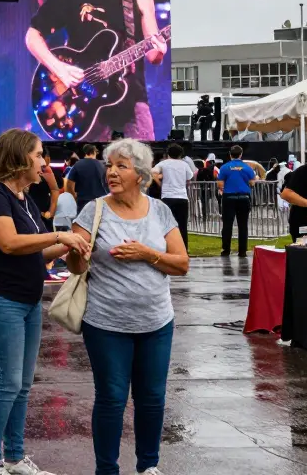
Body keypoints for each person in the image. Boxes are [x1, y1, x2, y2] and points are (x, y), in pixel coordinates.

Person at [65, 139, 189, 475]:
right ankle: (107, 469)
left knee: (152, 398)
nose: (112, 172)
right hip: (106, 324)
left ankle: (148, 466)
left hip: (156, 322)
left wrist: (147, 254)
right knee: (111, 397)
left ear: (141, 175)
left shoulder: (160, 211)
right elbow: (75, 267)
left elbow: (181, 263)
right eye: (110, 166)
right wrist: (77, 255)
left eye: (122, 166)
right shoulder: (94, 211)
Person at [0, 131, 87, 475]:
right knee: (6, 383)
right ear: (19, 157)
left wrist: (73, 244)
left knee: (21, 385)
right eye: (38, 155)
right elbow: (9, 243)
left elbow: (37, 252)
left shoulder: (24, 198)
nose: (44, 163)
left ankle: (15, 458)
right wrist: (59, 234)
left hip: (27, 300)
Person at [24, 0, 167, 140]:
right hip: (83, 100)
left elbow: (152, 55)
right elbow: (33, 36)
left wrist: (159, 49)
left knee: (142, 160)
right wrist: (59, 69)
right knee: (89, 162)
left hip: (132, 99)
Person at [217, 145, 258, 257]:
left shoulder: (224, 167)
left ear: (230, 154)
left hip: (229, 197)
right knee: (243, 225)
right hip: (244, 197)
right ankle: (242, 251)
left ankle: (226, 250)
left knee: (227, 225)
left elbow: (220, 184)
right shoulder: (247, 168)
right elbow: (252, 183)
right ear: (241, 154)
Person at [152, 144, 193, 250]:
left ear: (168, 154)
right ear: (181, 154)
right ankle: (184, 249)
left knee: (166, 224)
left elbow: (153, 173)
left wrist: (160, 184)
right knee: (182, 225)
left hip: (167, 197)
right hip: (182, 197)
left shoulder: (163, 163)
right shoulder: (185, 165)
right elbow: (189, 178)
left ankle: (166, 248)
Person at [65, 144, 108, 216]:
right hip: (101, 203)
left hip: (83, 203)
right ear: (94, 152)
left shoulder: (78, 165)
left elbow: (69, 185)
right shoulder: (103, 165)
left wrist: (74, 198)